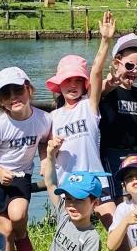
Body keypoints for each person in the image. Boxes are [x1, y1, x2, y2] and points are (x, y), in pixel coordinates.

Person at [0, 65, 51, 251]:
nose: (14, 98)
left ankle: (24, 239)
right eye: (6, 94)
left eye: (18, 90)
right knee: (4, 229)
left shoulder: (44, 119)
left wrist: (44, 159)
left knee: (17, 215)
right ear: (0, 101)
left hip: (21, 177)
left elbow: (45, 140)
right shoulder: (0, 125)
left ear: (29, 90)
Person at [47, 13, 115, 220]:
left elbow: (96, 72)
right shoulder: (52, 117)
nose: (73, 85)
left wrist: (105, 41)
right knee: (73, 234)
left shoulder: (89, 105)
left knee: (113, 225)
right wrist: (49, 152)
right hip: (69, 184)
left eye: (78, 80)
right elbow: (46, 149)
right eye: (68, 80)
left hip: (96, 180)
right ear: (59, 85)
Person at [97, 19, 137, 202]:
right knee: (121, 195)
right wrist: (108, 83)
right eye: (130, 66)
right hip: (114, 150)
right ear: (117, 62)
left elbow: (133, 117)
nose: (135, 71)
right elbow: (96, 89)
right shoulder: (108, 89)